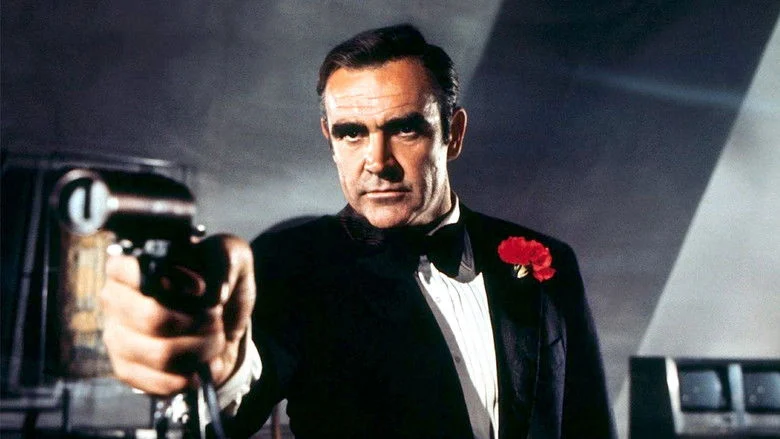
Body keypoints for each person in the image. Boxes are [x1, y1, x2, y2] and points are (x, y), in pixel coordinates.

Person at [101, 24, 616, 438]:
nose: (377, 162)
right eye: (352, 133)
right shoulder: (295, 261)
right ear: (330, 139)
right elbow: (234, 396)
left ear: (453, 134)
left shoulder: (545, 259)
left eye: (405, 128)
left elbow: (588, 422)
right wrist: (211, 369)